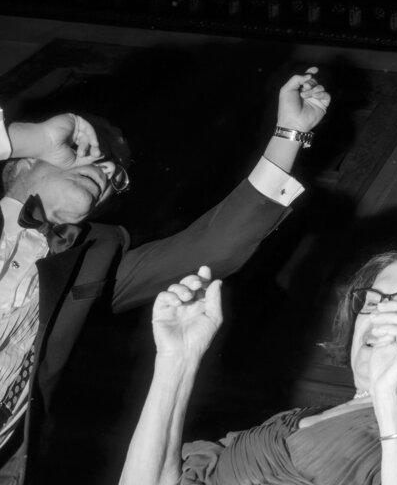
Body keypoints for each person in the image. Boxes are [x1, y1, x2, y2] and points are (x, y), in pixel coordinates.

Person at [0, 68, 330, 484]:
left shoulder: (95, 259)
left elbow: (215, 245)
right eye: (89, 149)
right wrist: (27, 138)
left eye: (116, 172)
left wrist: (290, 132)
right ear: (27, 160)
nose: (107, 169)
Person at [120, 244, 397, 485]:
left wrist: (391, 400)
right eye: (371, 304)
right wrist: (176, 361)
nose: (378, 318)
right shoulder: (289, 421)